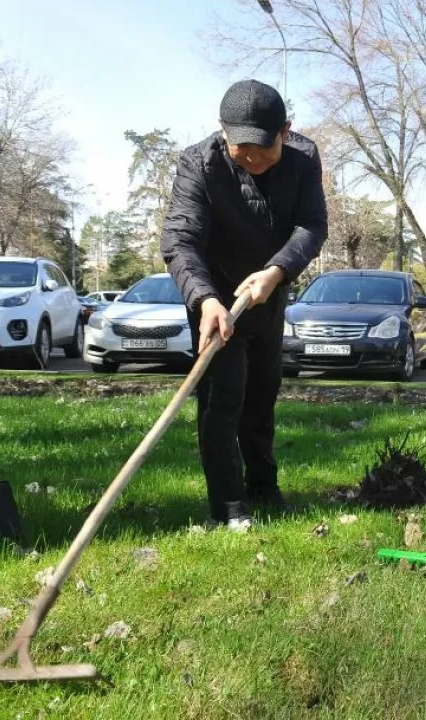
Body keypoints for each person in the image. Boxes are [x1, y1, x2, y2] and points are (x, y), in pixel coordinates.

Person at [161, 79, 327, 528]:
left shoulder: (304, 158)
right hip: (215, 297)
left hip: (268, 292)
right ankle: (229, 507)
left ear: (285, 131)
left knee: (262, 392)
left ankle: (263, 487)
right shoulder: (198, 163)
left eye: (264, 148)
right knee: (223, 396)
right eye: (242, 148)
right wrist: (204, 298)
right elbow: (180, 239)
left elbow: (311, 225)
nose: (253, 158)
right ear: (223, 131)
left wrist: (277, 271)